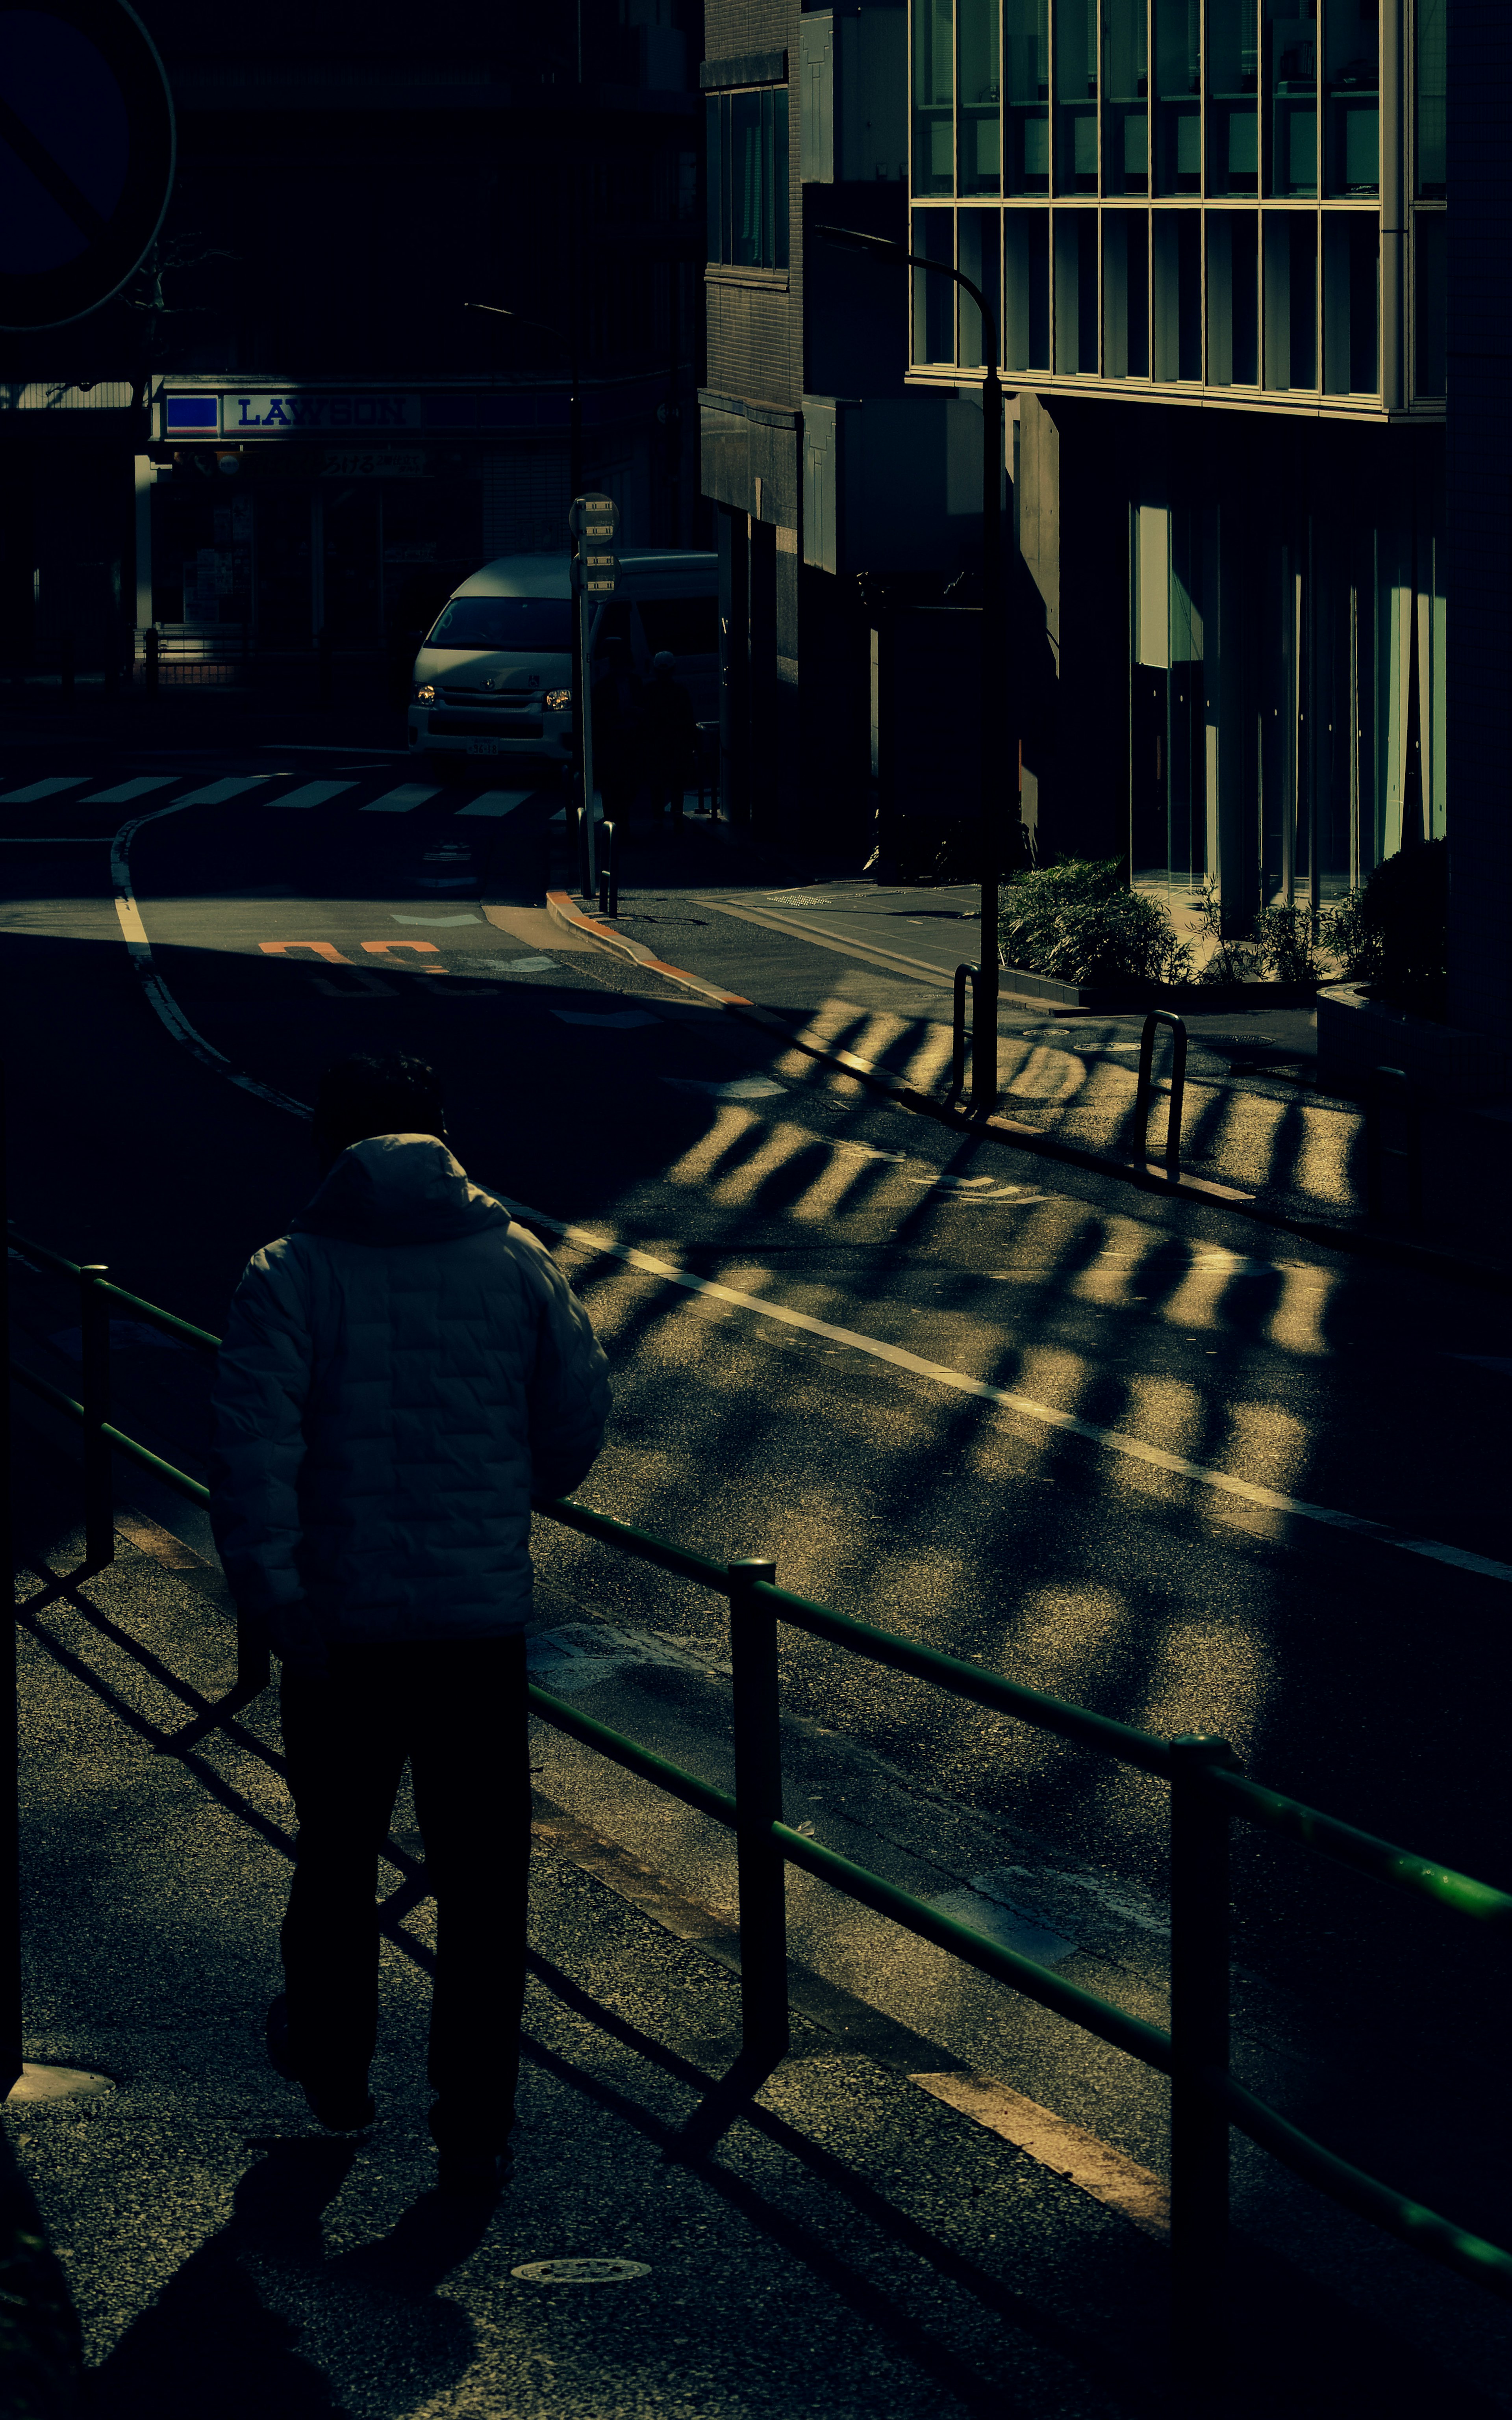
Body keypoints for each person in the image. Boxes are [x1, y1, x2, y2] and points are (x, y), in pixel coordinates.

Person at [209, 1052, 610, 2197]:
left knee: (336, 1858)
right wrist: (502, 1498)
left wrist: (275, 1595)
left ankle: (336, 2069)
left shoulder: (287, 1275)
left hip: (338, 1630)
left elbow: (252, 1457)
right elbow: (577, 1421)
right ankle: (472, 2119)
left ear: (325, 1142)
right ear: (440, 1135)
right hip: (476, 1627)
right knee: (484, 1886)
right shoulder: (514, 1259)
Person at [589, 634, 644, 829]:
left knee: (629, 784)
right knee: (613, 784)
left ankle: (619, 823)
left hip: (630, 737)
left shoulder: (635, 682)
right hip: (612, 738)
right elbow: (599, 716)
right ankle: (613, 823)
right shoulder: (604, 687)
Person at [641, 648, 698, 833]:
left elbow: (644, 719)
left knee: (657, 783)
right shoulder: (680, 692)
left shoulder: (649, 692)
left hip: (655, 743)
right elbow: (689, 720)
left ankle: (658, 818)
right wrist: (692, 744)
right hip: (677, 743)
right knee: (677, 783)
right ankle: (676, 815)